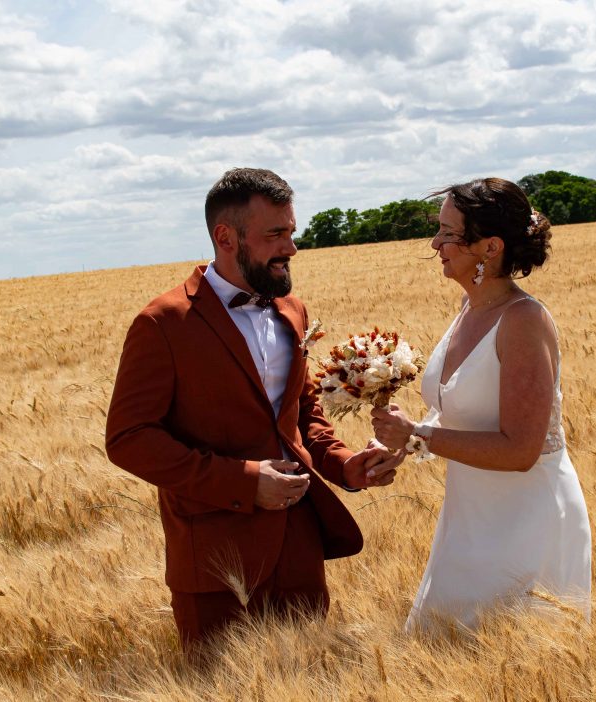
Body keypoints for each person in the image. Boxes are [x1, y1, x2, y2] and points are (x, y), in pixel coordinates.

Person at [106, 167, 404, 651]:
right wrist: (245, 482)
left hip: (299, 547)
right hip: (215, 558)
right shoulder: (163, 322)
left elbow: (300, 415)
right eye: (276, 234)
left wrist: (346, 463)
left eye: (291, 232)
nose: (291, 247)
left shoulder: (293, 311)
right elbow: (128, 439)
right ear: (226, 237)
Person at [370, 177, 591, 632]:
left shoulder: (523, 321)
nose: (436, 244)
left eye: (449, 234)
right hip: (467, 523)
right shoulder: (470, 310)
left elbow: (521, 449)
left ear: (490, 247)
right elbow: (458, 412)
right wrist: (405, 445)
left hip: (525, 525)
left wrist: (418, 434)